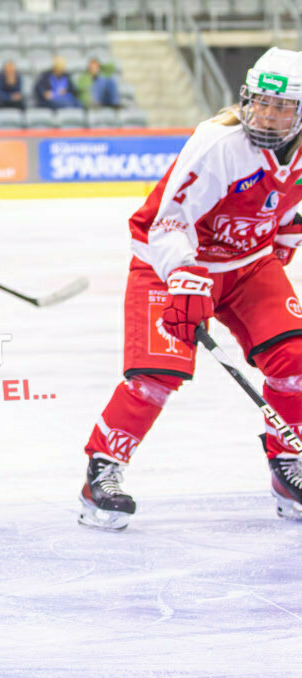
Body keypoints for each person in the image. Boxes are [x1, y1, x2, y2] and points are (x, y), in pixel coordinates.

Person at [78, 47, 302, 532]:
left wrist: (286, 235)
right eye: (259, 102)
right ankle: (103, 470)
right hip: (172, 262)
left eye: (280, 107)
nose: (265, 114)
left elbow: (289, 202)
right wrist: (182, 274)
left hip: (247, 266)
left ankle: (288, 465)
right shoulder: (218, 143)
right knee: (155, 376)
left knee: (295, 357)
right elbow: (166, 222)